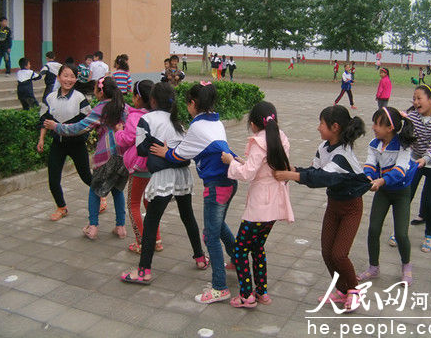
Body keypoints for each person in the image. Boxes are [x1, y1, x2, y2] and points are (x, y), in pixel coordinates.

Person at [274, 105, 370, 312]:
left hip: (351, 207)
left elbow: (322, 178)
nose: (318, 128)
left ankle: (354, 290)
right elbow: (315, 170)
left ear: (334, 127)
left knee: (339, 255)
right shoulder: (324, 147)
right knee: (327, 253)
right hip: (334, 205)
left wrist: (290, 176)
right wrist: (295, 170)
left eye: (321, 123)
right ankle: (341, 290)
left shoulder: (342, 155)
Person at [151, 82, 237, 304]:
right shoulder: (215, 120)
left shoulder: (198, 127)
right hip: (228, 182)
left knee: (210, 235)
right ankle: (237, 258)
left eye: (188, 102)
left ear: (193, 103)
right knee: (217, 226)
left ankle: (219, 286)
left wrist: (164, 151)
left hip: (217, 186)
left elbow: (180, 155)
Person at [120, 82, 208, 284]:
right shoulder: (177, 121)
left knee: (151, 221)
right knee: (188, 217)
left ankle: (144, 271)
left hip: (163, 176)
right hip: (182, 174)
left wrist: (154, 143)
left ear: (152, 100)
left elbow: (141, 149)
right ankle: (200, 258)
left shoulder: (146, 119)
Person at [221, 101, 294, 308]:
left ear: (253, 124)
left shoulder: (258, 142)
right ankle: (261, 292)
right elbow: (263, 168)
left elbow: (247, 174)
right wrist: (240, 162)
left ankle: (246, 295)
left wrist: (230, 161)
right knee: (258, 247)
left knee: (240, 250)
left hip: (260, 205)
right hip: (276, 202)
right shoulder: (281, 138)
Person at [44, 77, 128, 240]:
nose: (94, 92)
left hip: (107, 155)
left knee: (95, 189)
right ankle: (121, 227)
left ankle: (93, 227)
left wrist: (56, 127)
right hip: (124, 155)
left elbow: (79, 128)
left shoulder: (101, 108)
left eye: (96, 89)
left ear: (101, 92)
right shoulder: (123, 107)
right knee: (117, 190)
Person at [358, 107, 417, 286]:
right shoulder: (374, 144)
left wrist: (380, 181)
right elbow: (370, 163)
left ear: (390, 128)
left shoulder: (404, 146)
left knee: (401, 233)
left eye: (378, 124)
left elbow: (399, 171)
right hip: (382, 192)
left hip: (401, 193)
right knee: (373, 229)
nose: (374, 127)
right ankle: (373, 267)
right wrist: (368, 176)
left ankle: (406, 265)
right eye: (374, 123)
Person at [38, 64, 92, 221]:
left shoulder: (80, 98)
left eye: (72, 76)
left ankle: (101, 195)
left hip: (76, 144)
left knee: (86, 176)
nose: (68, 79)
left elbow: (88, 123)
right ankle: (61, 207)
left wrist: (66, 128)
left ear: (76, 79)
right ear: (58, 77)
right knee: (53, 178)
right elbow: (44, 120)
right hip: (58, 143)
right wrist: (41, 138)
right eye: (65, 75)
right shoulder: (50, 98)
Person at [114, 80, 163, 254]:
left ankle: (142, 243)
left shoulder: (135, 117)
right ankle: (156, 240)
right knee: (149, 203)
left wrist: (118, 130)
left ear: (138, 98)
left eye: (134, 95)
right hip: (155, 165)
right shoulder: (159, 115)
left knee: (133, 204)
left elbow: (126, 139)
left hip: (139, 167)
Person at [407, 85, 431, 253]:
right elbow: (405, 135)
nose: (416, 102)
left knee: (430, 201)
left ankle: (428, 236)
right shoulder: (412, 116)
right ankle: (399, 232)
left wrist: (426, 158)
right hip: (416, 161)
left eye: (419, 98)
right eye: (414, 99)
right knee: (406, 197)